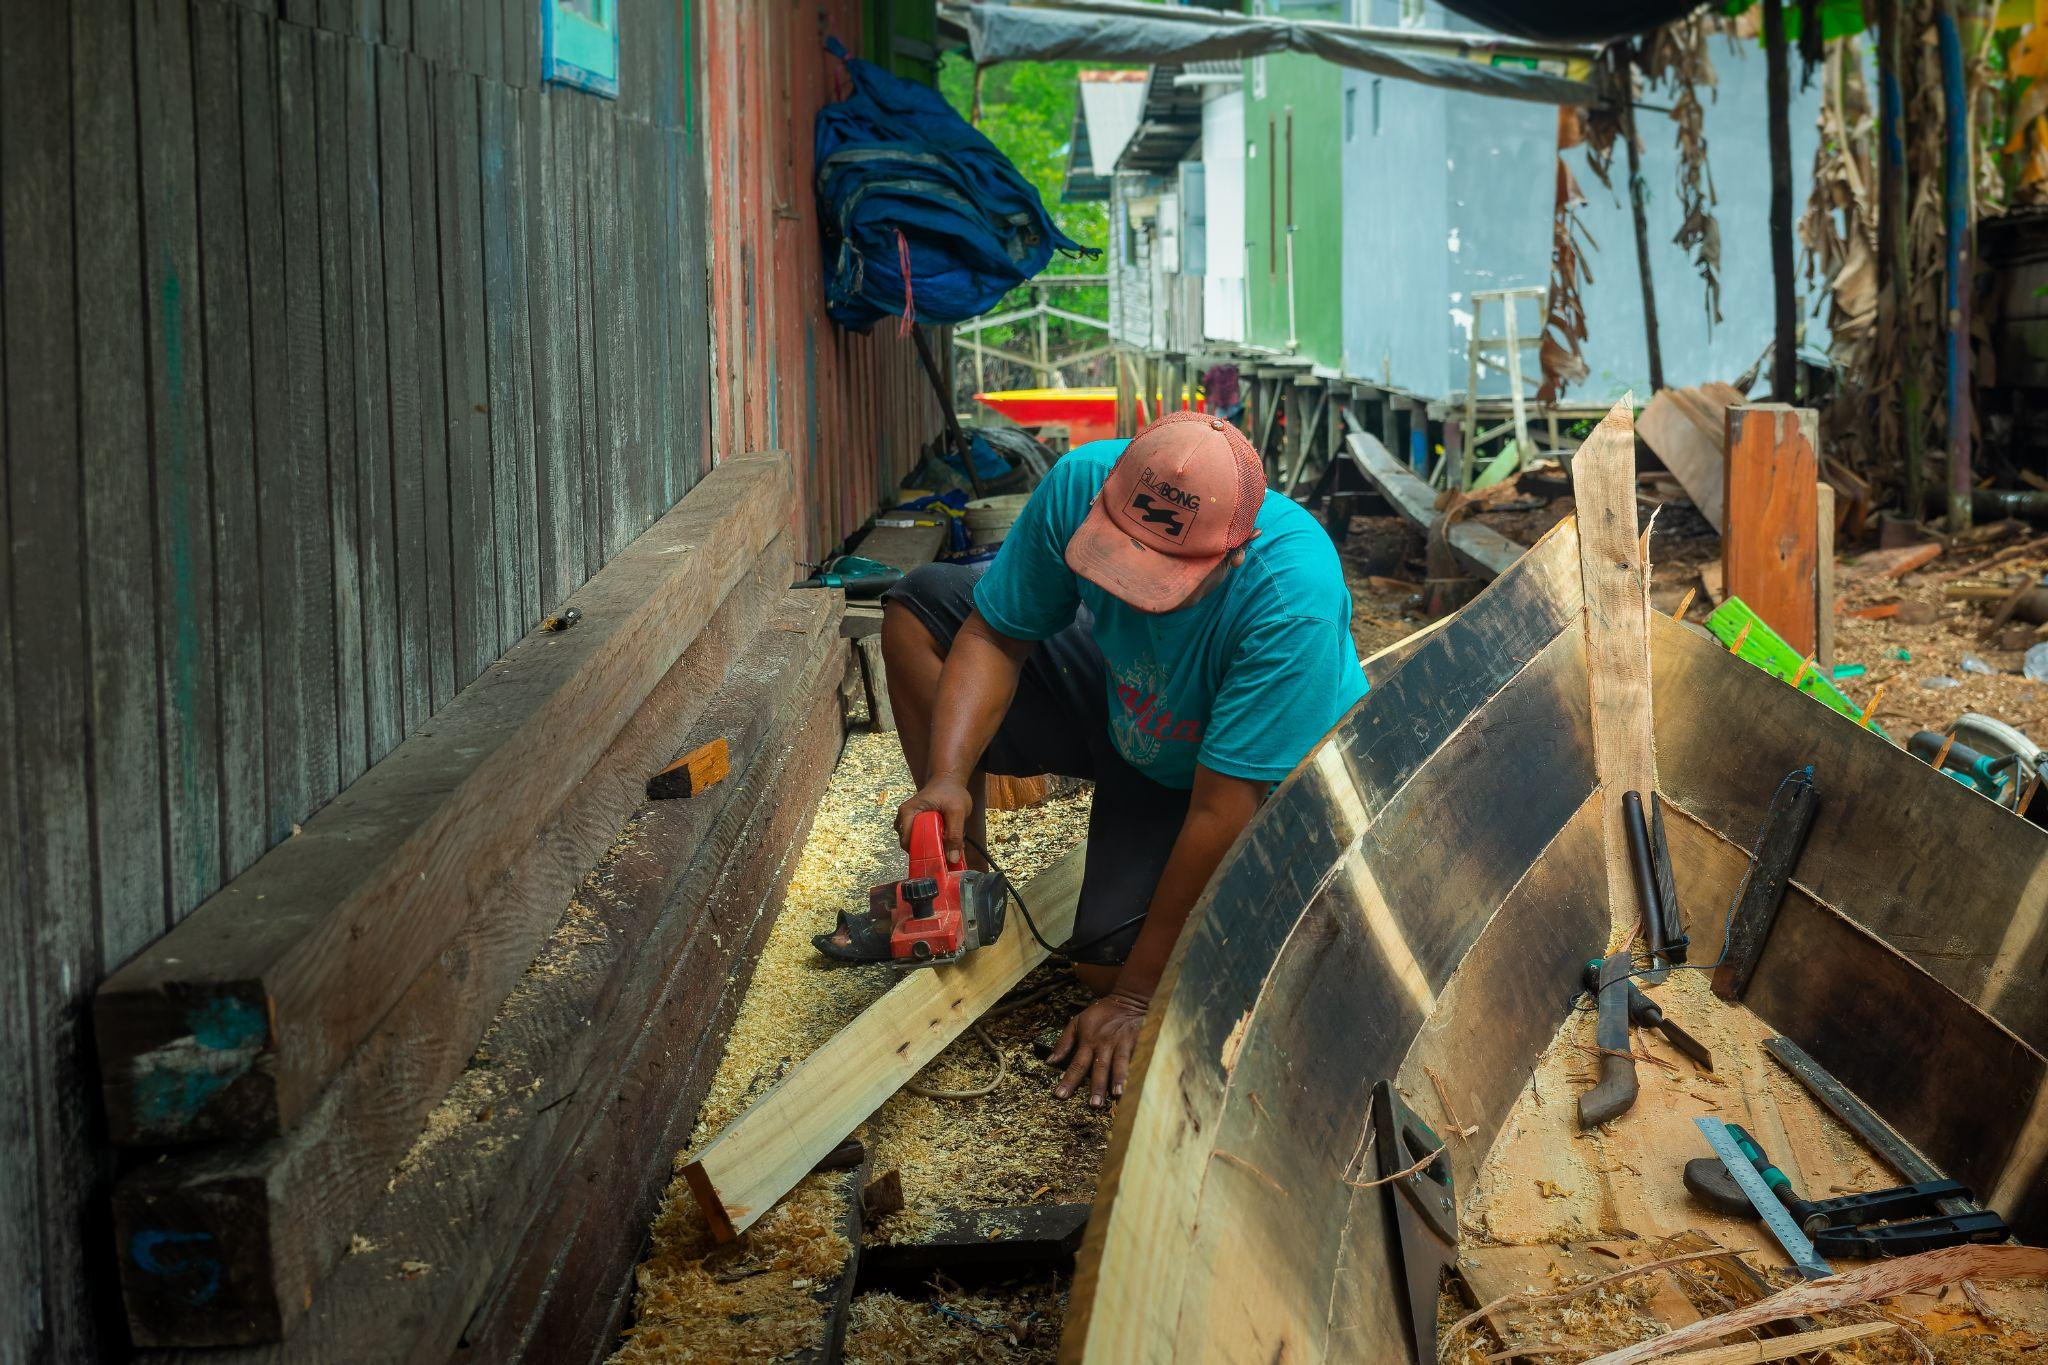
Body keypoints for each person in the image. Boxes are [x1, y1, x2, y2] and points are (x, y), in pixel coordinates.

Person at [876, 411, 1366, 1107]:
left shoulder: (1292, 598)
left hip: (1232, 778)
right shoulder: (1079, 482)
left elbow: (1222, 808)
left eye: (1159, 577)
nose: (1130, 590)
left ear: (1232, 555)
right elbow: (994, 634)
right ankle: (963, 884)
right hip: (1127, 698)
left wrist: (1137, 998)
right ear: (1112, 493)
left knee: (1108, 970)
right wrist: (946, 777)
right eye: (1119, 557)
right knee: (922, 608)